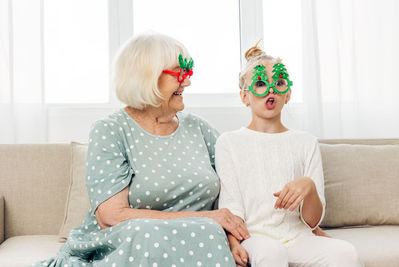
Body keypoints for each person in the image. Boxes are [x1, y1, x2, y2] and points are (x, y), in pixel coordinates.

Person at [32, 33, 248, 267]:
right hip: (133, 240)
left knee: (204, 231)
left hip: (202, 238)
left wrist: (230, 237)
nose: (187, 81)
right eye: (180, 73)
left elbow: (232, 191)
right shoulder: (110, 130)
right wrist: (207, 218)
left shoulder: (199, 128)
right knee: (148, 233)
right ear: (148, 78)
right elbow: (111, 217)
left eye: (188, 72)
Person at [215, 43, 362, 267]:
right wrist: (234, 243)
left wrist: (309, 186)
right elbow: (231, 206)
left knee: (345, 253)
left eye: (279, 83)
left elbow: (312, 220)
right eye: (261, 84)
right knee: (272, 253)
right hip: (256, 239)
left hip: (298, 239)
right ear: (245, 97)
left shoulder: (306, 142)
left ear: (288, 93)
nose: (271, 90)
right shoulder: (229, 142)